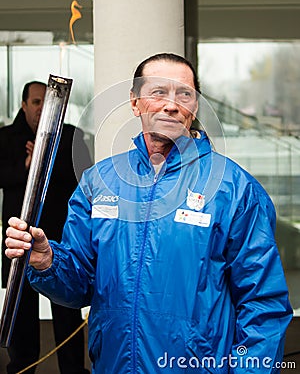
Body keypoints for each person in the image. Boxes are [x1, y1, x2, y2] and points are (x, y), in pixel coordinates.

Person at [5, 54, 293, 373]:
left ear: (195, 108)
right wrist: (48, 262)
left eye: (184, 94)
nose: (171, 104)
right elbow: (80, 286)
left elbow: (263, 305)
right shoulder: (99, 182)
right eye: (158, 92)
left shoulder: (234, 189)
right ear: (135, 102)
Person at [0, 81, 91, 374]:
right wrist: (27, 165)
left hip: (60, 239)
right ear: (24, 105)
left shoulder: (70, 136)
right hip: (20, 241)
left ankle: (74, 370)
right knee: (21, 313)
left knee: (66, 311)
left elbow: (83, 178)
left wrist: (47, 158)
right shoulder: (6, 137)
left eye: (45, 102)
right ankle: (22, 368)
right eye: (36, 102)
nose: (41, 108)